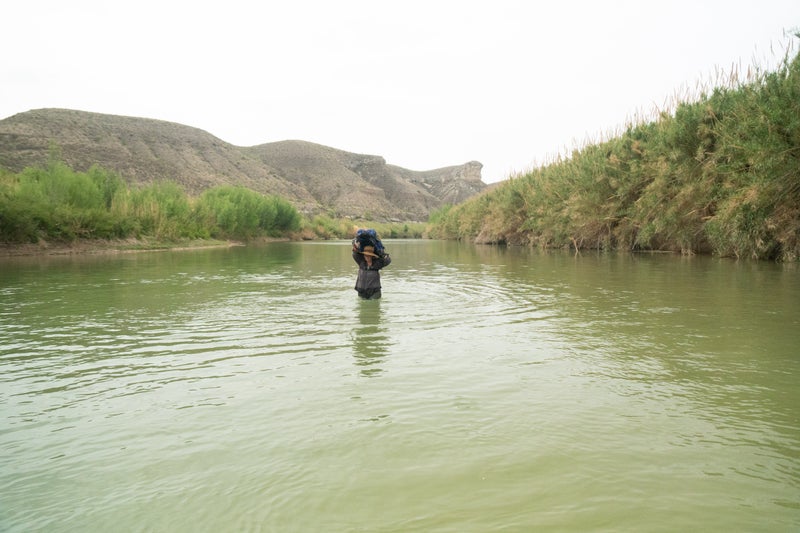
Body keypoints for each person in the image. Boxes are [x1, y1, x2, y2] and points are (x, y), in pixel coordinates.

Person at [352, 229, 391, 299]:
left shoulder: (377, 264)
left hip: (374, 292)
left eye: (369, 255)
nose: (367, 256)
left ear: (372, 256)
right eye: (366, 255)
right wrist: (355, 248)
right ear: (363, 255)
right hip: (361, 291)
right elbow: (354, 254)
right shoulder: (361, 262)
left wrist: (382, 255)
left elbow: (388, 260)